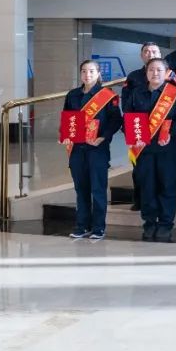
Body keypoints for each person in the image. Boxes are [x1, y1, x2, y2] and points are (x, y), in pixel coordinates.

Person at [124, 57, 176, 243]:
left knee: (167, 186)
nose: (155, 73)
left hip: (167, 150)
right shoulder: (136, 93)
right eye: (151, 70)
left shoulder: (175, 94)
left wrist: (171, 134)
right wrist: (132, 137)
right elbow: (127, 117)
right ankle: (149, 223)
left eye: (159, 70)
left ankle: (166, 224)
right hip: (143, 150)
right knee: (147, 187)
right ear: (146, 73)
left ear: (166, 73)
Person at [61, 60, 122, 240]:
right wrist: (65, 135)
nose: (87, 75)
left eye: (91, 71)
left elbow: (116, 121)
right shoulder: (72, 95)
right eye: (84, 71)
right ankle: (82, 226)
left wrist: (103, 137)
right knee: (81, 189)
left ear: (98, 73)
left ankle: (98, 227)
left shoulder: (108, 96)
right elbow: (67, 118)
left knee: (98, 189)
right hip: (77, 149)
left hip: (97, 149)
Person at [122, 41, 161, 211]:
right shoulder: (133, 77)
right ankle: (139, 200)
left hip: (160, 130)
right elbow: (126, 104)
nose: (150, 54)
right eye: (146, 51)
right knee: (138, 167)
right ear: (141, 55)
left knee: (160, 170)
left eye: (154, 51)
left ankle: (158, 201)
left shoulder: (168, 74)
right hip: (137, 128)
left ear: (159, 54)